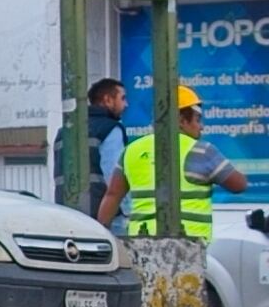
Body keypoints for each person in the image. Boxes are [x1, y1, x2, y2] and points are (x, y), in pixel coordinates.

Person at [97, 84, 251, 234]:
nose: (201, 126)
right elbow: (239, 185)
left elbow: (113, 195)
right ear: (181, 120)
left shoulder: (131, 150)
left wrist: (101, 233)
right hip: (189, 243)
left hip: (140, 242)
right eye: (197, 119)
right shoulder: (202, 151)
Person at [60, 77, 131, 226]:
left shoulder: (63, 132)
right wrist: (127, 211)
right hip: (105, 219)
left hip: (68, 217)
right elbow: (115, 177)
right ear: (108, 100)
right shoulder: (111, 129)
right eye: (123, 98)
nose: (126, 104)